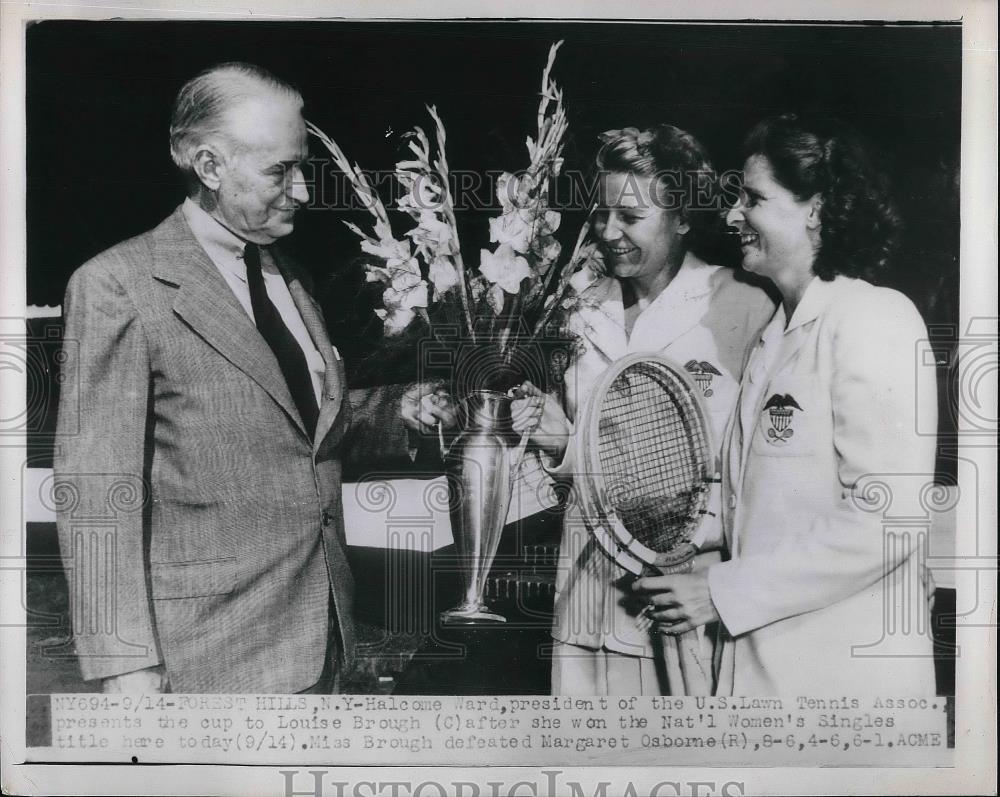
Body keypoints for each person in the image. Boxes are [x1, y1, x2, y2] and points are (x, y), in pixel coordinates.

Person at [54, 62, 451, 694]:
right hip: (205, 655)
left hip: (325, 641)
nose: (302, 191)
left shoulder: (289, 275)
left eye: (301, 166)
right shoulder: (116, 286)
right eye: (279, 171)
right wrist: (124, 664)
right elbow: (97, 489)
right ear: (209, 168)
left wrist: (398, 409)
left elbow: (292, 425)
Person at [633, 113, 938, 694]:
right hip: (765, 671)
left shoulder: (874, 318)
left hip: (845, 679)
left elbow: (888, 519)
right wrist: (681, 529)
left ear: (817, 209)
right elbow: (761, 502)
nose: (731, 215)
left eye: (753, 198)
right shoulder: (775, 335)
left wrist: (723, 591)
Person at [512, 125, 775, 695]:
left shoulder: (743, 306)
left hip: (681, 599)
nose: (609, 232)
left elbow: (753, 476)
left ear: (682, 218)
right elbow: (558, 463)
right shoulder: (575, 307)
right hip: (582, 596)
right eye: (603, 214)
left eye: (630, 217)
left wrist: (570, 441)